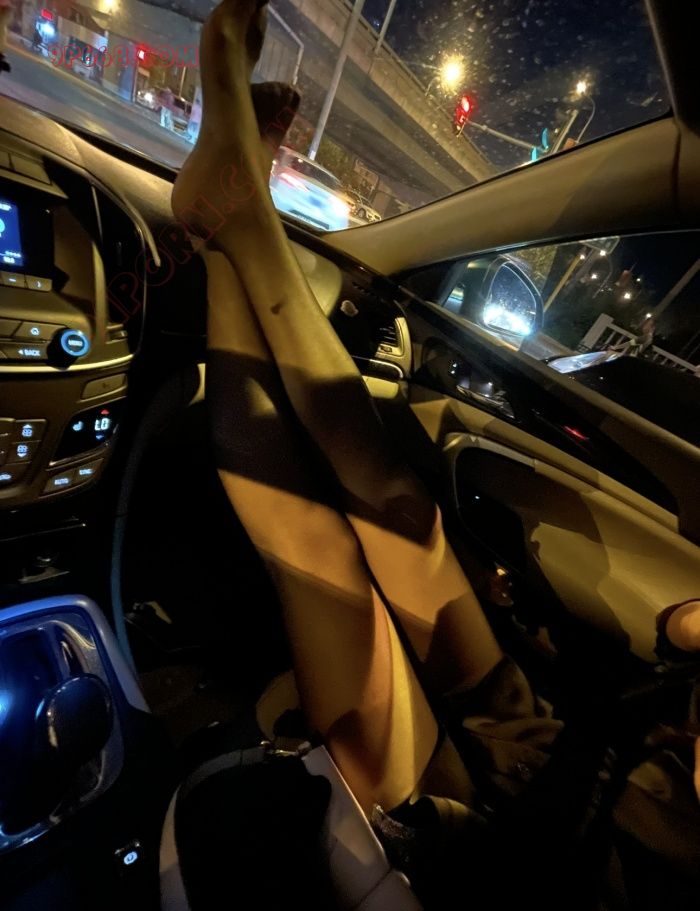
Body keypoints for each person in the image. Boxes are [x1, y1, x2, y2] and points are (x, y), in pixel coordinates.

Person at [171, 1, 700, 904]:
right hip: (553, 743)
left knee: (315, 546)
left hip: (512, 853)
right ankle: (226, 222)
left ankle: (235, 217)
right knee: (397, 501)